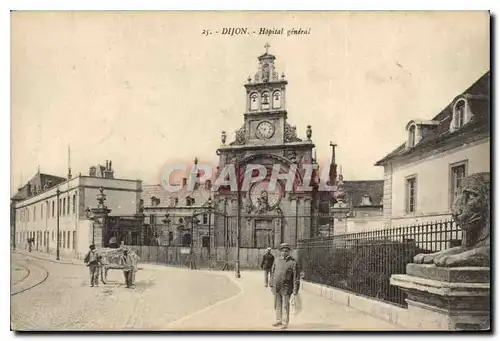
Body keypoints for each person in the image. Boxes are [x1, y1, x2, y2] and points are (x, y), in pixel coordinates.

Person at [270, 243, 300, 330]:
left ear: (289, 252)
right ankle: (278, 320)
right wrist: (271, 283)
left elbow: (296, 278)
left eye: (286, 251)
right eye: (282, 251)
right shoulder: (276, 260)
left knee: (285, 305)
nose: (284, 252)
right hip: (277, 286)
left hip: (287, 288)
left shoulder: (293, 263)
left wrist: (295, 290)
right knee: (277, 305)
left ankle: (284, 323)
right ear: (280, 252)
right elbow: (272, 273)